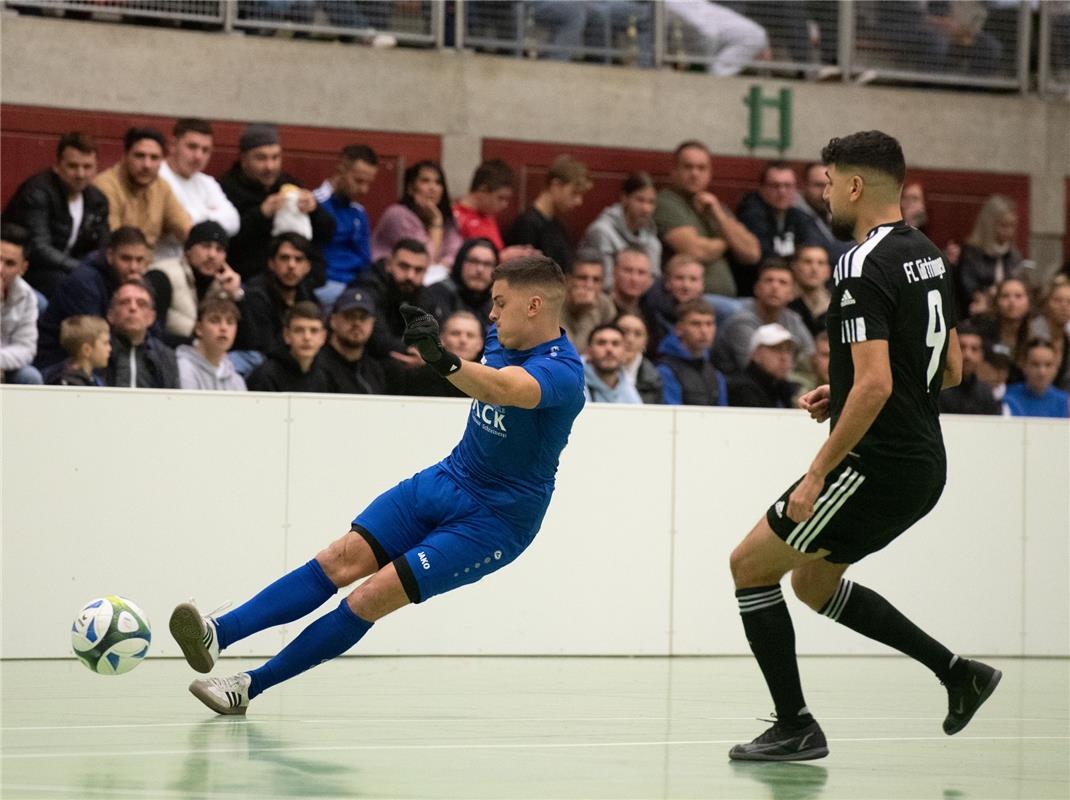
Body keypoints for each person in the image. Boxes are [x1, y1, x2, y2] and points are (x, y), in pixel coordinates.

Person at [169, 255, 585, 716]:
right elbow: (483, 379)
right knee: (339, 558)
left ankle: (248, 686)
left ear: (533, 306)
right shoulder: (501, 335)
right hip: (449, 477)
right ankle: (218, 633)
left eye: (499, 304)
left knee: (371, 594)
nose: (490, 314)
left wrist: (442, 359)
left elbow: (504, 389)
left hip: (496, 521)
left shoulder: (563, 373)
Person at [728, 130, 1000, 763]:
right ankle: (959, 673)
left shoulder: (857, 262)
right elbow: (951, 367)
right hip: (923, 462)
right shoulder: (929, 255)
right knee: (815, 584)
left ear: (854, 185)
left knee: (749, 567)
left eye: (826, 183)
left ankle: (794, 725)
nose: (823, 195)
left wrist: (816, 470)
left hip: (873, 463)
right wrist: (845, 384)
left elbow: (877, 382)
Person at [219, 124, 335, 282]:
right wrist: (261, 213)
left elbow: (328, 232)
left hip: (300, 279)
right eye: (261, 158)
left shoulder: (288, 183)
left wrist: (314, 210)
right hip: (251, 278)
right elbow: (226, 240)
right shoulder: (227, 189)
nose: (270, 166)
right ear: (244, 159)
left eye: (275, 157)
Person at [3, 132, 110, 298]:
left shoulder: (97, 200)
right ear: (58, 166)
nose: (80, 174)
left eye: (87, 167)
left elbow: (102, 244)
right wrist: (82, 269)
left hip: (71, 269)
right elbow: (39, 248)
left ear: (96, 168)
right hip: (29, 269)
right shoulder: (38, 193)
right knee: (66, 283)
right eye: (73, 166)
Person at [654, 140, 760, 301]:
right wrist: (728, 240)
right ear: (674, 171)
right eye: (688, 167)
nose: (695, 173)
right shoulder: (665, 202)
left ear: (709, 174)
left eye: (701, 168)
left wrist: (718, 214)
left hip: (728, 299)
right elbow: (695, 251)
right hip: (691, 300)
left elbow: (752, 253)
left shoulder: (715, 206)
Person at [35, 226, 150, 369]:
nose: (133, 267)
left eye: (139, 260)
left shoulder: (140, 285)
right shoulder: (83, 282)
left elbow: (151, 333)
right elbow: (92, 340)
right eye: (126, 259)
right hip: (58, 366)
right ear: (110, 255)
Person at [353, 239, 457, 364]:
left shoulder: (422, 293)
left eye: (418, 270)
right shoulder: (368, 288)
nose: (410, 276)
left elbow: (434, 334)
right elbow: (377, 339)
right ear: (389, 264)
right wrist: (415, 351)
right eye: (404, 266)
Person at [231, 233, 319, 374]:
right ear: (272, 263)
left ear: (307, 267)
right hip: (260, 362)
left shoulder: (308, 296)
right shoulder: (256, 293)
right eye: (285, 258)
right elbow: (264, 346)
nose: (291, 265)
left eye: (298, 259)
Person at [93, 127, 191, 251]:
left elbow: (185, 229)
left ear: (162, 161)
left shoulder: (161, 187)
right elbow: (113, 244)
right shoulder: (106, 186)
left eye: (154, 158)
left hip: (148, 264)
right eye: (139, 156)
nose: (147, 165)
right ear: (124, 156)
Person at [147, 220, 244, 344]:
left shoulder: (224, 286)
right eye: (206, 246)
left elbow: (245, 342)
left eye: (219, 249)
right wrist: (196, 345)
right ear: (188, 250)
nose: (212, 255)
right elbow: (152, 334)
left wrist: (236, 296)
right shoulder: (163, 275)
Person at [156, 118, 240, 261]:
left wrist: (194, 214)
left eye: (205, 150)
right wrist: (210, 213)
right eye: (192, 147)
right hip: (162, 263)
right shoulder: (158, 177)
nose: (198, 156)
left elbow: (234, 222)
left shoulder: (207, 182)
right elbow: (179, 230)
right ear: (173, 145)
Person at [713, 259, 815, 376]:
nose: (775, 287)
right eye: (768, 280)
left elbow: (811, 359)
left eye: (783, 282)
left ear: (791, 294)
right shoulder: (740, 319)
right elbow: (757, 369)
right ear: (757, 288)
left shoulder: (792, 319)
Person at [735, 162, 821, 294]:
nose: (782, 191)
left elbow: (812, 247)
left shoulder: (800, 217)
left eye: (787, 186)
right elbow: (763, 259)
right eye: (775, 186)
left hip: (793, 287)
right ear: (762, 188)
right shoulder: (750, 215)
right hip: (754, 289)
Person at [313, 144, 379, 306]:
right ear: (341, 170)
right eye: (358, 181)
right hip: (324, 283)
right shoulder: (314, 204)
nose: (364, 189)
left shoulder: (360, 213)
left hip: (356, 286)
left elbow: (365, 261)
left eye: (368, 184)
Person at [371, 160, 462, 277]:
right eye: (425, 181)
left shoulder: (447, 219)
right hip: (390, 282)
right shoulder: (397, 215)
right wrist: (436, 223)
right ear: (410, 188)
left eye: (438, 183)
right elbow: (422, 258)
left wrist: (441, 268)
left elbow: (456, 253)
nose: (433, 188)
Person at [505, 155, 592, 272]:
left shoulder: (560, 226)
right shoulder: (527, 225)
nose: (579, 201)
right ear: (556, 185)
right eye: (574, 193)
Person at [581, 172, 662, 285]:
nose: (646, 209)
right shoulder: (602, 231)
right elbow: (605, 282)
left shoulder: (652, 241)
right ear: (624, 198)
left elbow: (653, 282)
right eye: (640, 200)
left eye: (651, 202)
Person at [104, 279, 179, 389]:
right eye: (124, 302)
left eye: (141, 304)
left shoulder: (166, 357)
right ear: (110, 314)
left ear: (151, 317)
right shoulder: (95, 351)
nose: (133, 308)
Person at [956, 195, 1023, 315]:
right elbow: (968, 292)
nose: (1009, 231)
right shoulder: (970, 254)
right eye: (1003, 226)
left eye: (1012, 225)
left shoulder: (1014, 254)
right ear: (989, 225)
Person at [246, 301, 333, 393]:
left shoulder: (324, 377)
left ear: (323, 337)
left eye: (314, 331)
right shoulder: (265, 376)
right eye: (299, 330)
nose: (307, 337)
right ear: (287, 335)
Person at [397, 310, 486, 398]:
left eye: (470, 335)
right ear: (441, 339)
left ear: (480, 344)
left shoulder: (487, 379)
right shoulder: (419, 378)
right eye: (455, 334)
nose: (463, 340)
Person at [656, 299, 728, 406]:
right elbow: (672, 416)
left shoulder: (716, 375)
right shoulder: (665, 371)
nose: (704, 331)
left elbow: (723, 415)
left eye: (709, 324)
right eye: (696, 324)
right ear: (679, 329)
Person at [319, 288, 389, 395]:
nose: (357, 323)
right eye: (349, 316)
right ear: (333, 320)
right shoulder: (318, 366)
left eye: (363, 318)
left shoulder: (375, 370)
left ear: (372, 323)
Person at [452, 159, 524, 255]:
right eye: (501, 198)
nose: (505, 205)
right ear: (483, 190)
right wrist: (502, 257)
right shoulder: (456, 218)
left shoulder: (488, 216)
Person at [641, 253, 707, 356]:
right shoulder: (651, 312)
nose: (686, 286)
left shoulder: (707, 312)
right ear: (667, 283)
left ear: (702, 285)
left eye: (693, 279)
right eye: (679, 278)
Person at [176, 296, 246, 392]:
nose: (224, 328)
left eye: (230, 322)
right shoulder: (184, 369)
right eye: (215, 321)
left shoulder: (237, 381)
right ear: (199, 328)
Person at [1, 223, 42, 384]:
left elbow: (26, 349)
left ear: (23, 268)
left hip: (4, 366)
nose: (0, 269)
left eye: (10, 264)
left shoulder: (27, 297)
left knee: (30, 376)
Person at [971, 276, 1031, 385]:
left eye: (1018, 296)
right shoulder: (981, 332)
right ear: (996, 302)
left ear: (1029, 301)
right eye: (1005, 296)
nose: (1012, 301)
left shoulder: (1034, 336)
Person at [727, 323, 800, 408]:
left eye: (788, 350)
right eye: (776, 348)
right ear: (756, 354)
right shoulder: (742, 390)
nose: (784, 357)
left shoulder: (785, 389)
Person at [938, 319, 1000, 415]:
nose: (968, 355)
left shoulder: (986, 393)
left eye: (974, 349)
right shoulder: (939, 388)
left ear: (981, 355)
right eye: (962, 347)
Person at [560, 250, 616, 354]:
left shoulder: (606, 306)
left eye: (596, 280)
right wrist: (588, 312)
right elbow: (572, 353)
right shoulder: (552, 304)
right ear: (567, 280)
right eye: (582, 278)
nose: (589, 285)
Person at [1002, 339, 1070, 418]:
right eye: (1035, 364)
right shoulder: (1008, 397)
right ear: (1024, 366)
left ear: (1056, 368)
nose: (1042, 372)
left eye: (1048, 365)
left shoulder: (1065, 402)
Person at [1028, 276, 1070, 392]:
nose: (1064, 306)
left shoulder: (1067, 338)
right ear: (1046, 303)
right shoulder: (1030, 333)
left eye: (1069, 302)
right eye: (1058, 300)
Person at [43, 315, 110, 387]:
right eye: (105, 343)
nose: (109, 348)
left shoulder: (96, 380)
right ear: (86, 350)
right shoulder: (67, 383)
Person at [584, 323, 641, 404]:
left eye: (615, 343)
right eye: (601, 343)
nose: (609, 349)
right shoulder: (574, 384)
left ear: (625, 351)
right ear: (588, 351)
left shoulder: (629, 389)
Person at [448, 237, 497, 329]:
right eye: (473, 261)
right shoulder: (439, 293)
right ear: (460, 262)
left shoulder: (497, 304)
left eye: (487, 264)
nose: (480, 270)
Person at [616, 312, 662, 404]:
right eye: (624, 331)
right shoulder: (588, 369)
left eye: (638, 334)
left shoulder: (656, 378)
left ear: (646, 342)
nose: (630, 339)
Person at [787, 244, 832, 336]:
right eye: (807, 262)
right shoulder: (784, 301)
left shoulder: (838, 304)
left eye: (821, 263)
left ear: (828, 271)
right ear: (794, 267)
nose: (814, 269)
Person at [609, 247, 656, 317]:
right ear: (614, 273)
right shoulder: (601, 309)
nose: (634, 279)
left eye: (641, 273)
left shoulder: (653, 313)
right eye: (628, 271)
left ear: (649, 278)